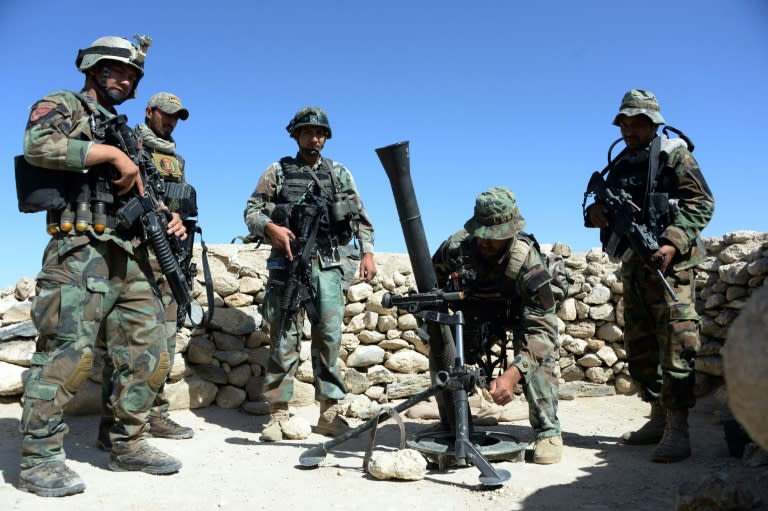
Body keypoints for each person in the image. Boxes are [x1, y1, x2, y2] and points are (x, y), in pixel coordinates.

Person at [16, 35, 183, 497]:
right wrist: (108, 154)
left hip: (128, 253)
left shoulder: (128, 132)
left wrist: (165, 216)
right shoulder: (63, 104)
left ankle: (127, 441)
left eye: (131, 75)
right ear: (92, 68)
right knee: (67, 354)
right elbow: (39, 145)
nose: (124, 79)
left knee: (148, 354)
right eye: (115, 69)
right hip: (78, 248)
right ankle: (40, 458)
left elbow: (139, 186)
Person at [584, 89, 714, 462]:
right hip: (634, 265)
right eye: (624, 123)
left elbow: (702, 202)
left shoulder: (675, 155)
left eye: (636, 123)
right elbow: (605, 204)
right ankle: (656, 416)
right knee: (640, 346)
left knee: (676, 343)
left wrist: (672, 242)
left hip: (672, 269)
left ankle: (678, 427)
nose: (629, 130)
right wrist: (597, 214)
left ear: (652, 123)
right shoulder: (623, 161)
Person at [244, 106, 376, 442]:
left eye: (319, 133)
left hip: (328, 265)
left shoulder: (339, 173)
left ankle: (329, 413)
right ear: (296, 135)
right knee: (284, 339)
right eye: (307, 132)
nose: (314, 138)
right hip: (287, 265)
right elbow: (252, 210)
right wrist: (270, 228)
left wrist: (369, 253)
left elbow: (360, 217)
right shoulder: (278, 171)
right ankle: (278, 415)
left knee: (329, 339)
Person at [430, 186, 563, 465]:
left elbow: (542, 329)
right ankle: (452, 423)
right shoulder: (454, 250)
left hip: (519, 316)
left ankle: (547, 430)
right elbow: (432, 286)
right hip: (473, 315)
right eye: (482, 235)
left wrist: (513, 374)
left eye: (495, 237)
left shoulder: (527, 261)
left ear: (511, 232)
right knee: (442, 342)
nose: (486, 243)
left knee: (540, 355)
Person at [97, 92, 195, 449]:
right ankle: (113, 422)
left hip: (167, 253)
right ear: (149, 112)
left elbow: (177, 203)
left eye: (176, 117)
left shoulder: (176, 159)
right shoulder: (128, 142)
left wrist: (178, 217)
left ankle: (153, 412)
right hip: (132, 251)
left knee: (164, 339)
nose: (170, 121)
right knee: (124, 340)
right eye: (166, 115)